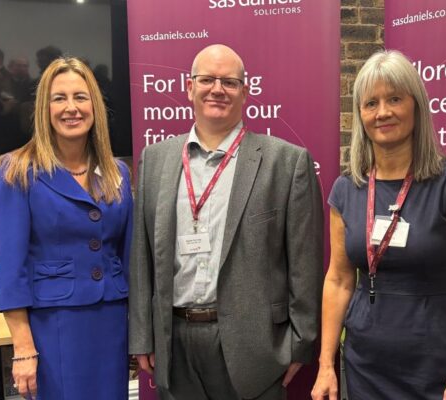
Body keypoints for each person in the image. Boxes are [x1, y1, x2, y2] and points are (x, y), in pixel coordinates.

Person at [129, 44, 323, 400]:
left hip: (256, 349)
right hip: (174, 345)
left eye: (229, 82)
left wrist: (301, 343)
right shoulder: (154, 160)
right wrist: (142, 336)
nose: (217, 89)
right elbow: (142, 256)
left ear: (245, 92)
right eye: (207, 80)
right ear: (189, 88)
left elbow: (304, 264)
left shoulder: (287, 162)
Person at [311, 50, 446, 400]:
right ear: (360, 114)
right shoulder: (346, 189)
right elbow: (338, 280)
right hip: (364, 363)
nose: (383, 112)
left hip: (437, 364)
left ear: (416, 106)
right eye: (371, 103)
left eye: (395, 99)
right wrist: (325, 365)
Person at [0, 57, 133, 399]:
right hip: (53, 326)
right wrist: (23, 348)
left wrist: (139, 331)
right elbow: (11, 269)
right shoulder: (17, 172)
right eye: (59, 98)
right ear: (45, 108)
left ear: (94, 106)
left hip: (112, 321)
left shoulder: (117, 172)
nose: (71, 108)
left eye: (81, 97)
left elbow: (128, 256)